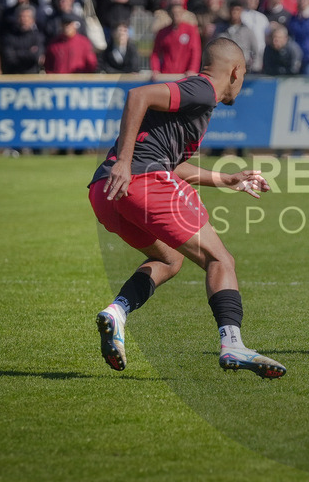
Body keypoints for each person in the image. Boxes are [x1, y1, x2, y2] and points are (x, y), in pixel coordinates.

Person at [91, 38, 284, 378]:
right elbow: (139, 95)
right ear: (235, 72)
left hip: (105, 191)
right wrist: (124, 161)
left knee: (171, 258)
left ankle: (116, 313)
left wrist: (227, 180)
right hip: (137, 180)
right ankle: (233, 344)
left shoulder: (195, 102)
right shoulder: (204, 89)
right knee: (220, 259)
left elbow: (172, 165)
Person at [151, 3, 202, 79]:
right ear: (169, 14)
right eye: (173, 13)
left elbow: (196, 52)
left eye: (178, 13)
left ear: (183, 13)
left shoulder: (191, 30)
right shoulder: (163, 32)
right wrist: (155, 70)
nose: (176, 16)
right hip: (166, 74)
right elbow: (155, 53)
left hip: (185, 75)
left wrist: (192, 70)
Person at [0, 4, 45, 74]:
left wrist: (17, 53)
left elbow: (36, 57)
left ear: (33, 20)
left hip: (33, 76)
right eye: (21, 17)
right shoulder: (9, 37)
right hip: (13, 76)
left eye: (27, 17)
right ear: (17, 19)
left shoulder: (38, 37)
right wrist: (29, 53)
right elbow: (9, 58)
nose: (24, 20)